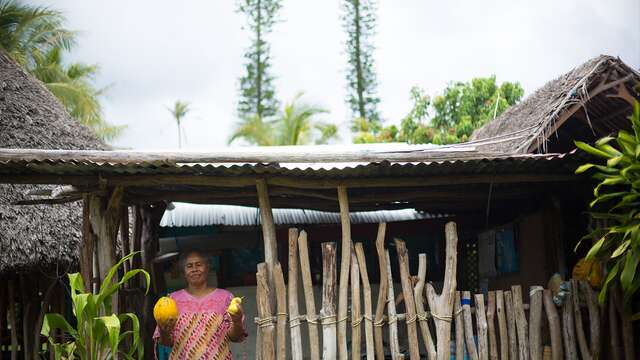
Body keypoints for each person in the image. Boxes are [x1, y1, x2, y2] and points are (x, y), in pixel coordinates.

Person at [154, 250, 247, 359]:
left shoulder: (225, 297)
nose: (194, 269)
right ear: (183, 272)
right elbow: (165, 342)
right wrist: (163, 329)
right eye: (189, 266)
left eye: (199, 265)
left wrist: (236, 321)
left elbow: (236, 337)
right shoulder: (172, 300)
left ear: (207, 268)